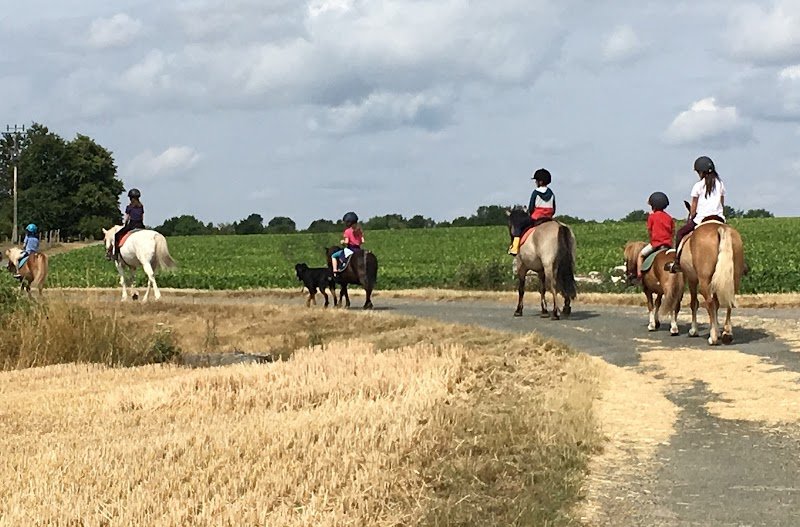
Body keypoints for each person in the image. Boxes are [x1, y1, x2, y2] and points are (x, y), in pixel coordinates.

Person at [666, 156, 726, 273]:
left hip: (701, 218)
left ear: (700, 172)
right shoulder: (721, 184)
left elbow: (693, 206)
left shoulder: (698, 186)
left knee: (680, 233)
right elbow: (722, 203)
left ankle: (677, 262)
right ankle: (741, 263)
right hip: (719, 218)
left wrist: (692, 216)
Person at [508, 168, 556, 256]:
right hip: (548, 218)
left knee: (518, 224)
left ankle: (514, 247)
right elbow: (554, 208)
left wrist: (530, 213)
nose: (535, 182)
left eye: (536, 181)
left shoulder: (536, 192)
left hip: (537, 217)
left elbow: (531, 207)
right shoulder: (551, 193)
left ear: (540, 182)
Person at [636, 192, 674, 279]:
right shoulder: (669, 217)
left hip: (656, 244)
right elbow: (672, 232)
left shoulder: (652, 217)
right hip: (668, 245)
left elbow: (650, 230)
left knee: (640, 255)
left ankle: (639, 275)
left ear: (653, 205)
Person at [112, 188, 145, 261]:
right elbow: (142, 217)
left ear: (130, 198)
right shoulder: (141, 206)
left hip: (132, 225)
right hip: (140, 225)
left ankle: (116, 254)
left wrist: (124, 224)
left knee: (116, 235)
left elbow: (127, 218)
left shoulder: (129, 207)